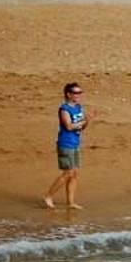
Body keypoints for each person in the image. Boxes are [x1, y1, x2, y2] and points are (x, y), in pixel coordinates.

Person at [43, 82, 94, 210]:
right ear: (68, 94)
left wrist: (87, 121)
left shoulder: (78, 107)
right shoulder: (64, 109)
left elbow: (81, 127)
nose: (79, 95)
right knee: (67, 173)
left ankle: (70, 202)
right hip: (65, 143)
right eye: (76, 93)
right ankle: (48, 196)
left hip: (75, 143)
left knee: (75, 174)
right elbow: (69, 126)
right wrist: (84, 120)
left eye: (80, 92)